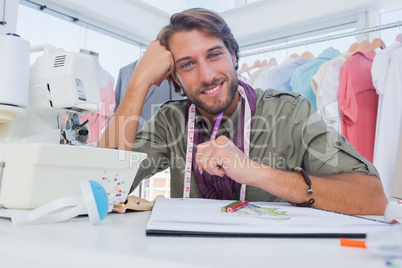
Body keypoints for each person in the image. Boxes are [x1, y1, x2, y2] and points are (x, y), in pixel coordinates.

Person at [98, 8, 387, 215]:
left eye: (214, 55)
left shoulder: (289, 112)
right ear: (174, 77)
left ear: (234, 56)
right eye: (187, 64)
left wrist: (257, 173)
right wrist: (139, 82)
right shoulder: (170, 122)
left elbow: (373, 198)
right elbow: (99, 186)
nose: (208, 75)